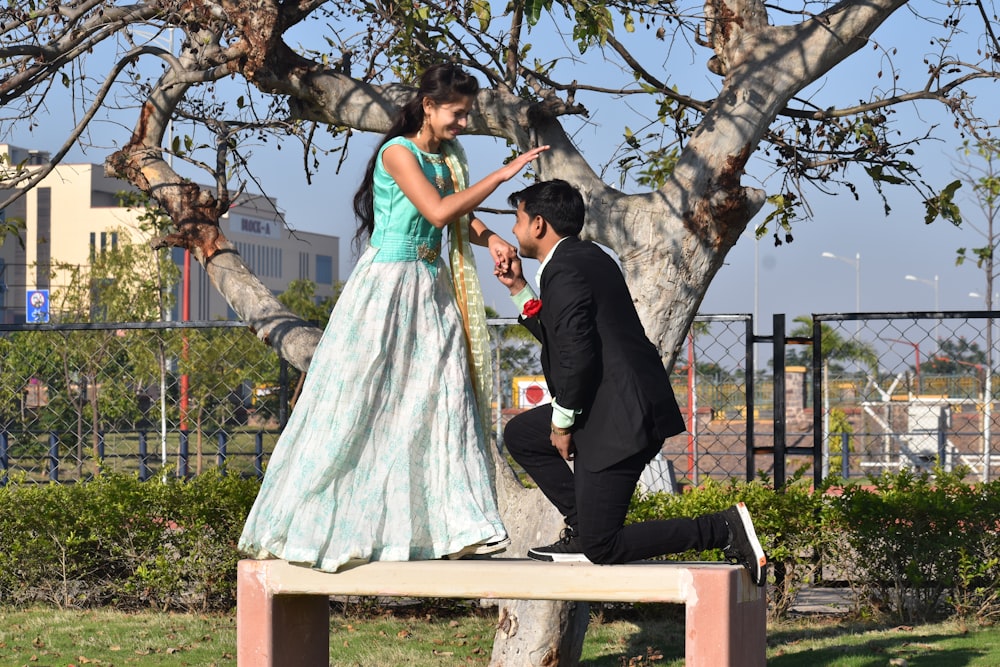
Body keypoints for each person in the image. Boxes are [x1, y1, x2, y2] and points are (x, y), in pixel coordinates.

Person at [238, 63, 549, 572]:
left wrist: (491, 237)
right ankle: (314, 525)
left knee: (436, 399)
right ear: (428, 106)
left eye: (468, 115)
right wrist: (501, 175)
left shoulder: (448, 155)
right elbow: (436, 211)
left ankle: (437, 529)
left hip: (432, 288)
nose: (464, 124)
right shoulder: (397, 152)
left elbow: (457, 215)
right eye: (457, 113)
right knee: (359, 404)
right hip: (387, 286)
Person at [494, 179, 767, 586]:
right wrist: (518, 288)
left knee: (603, 548)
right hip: (609, 404)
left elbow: (575, 354)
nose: (513, 231)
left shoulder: (566, 270)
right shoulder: (582, 259)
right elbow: (564, 334)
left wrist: (562, 423)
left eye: (517, 220)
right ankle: (582, 526)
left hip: (621, 416)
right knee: (522, 435)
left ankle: (720, 529)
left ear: (537, 224)